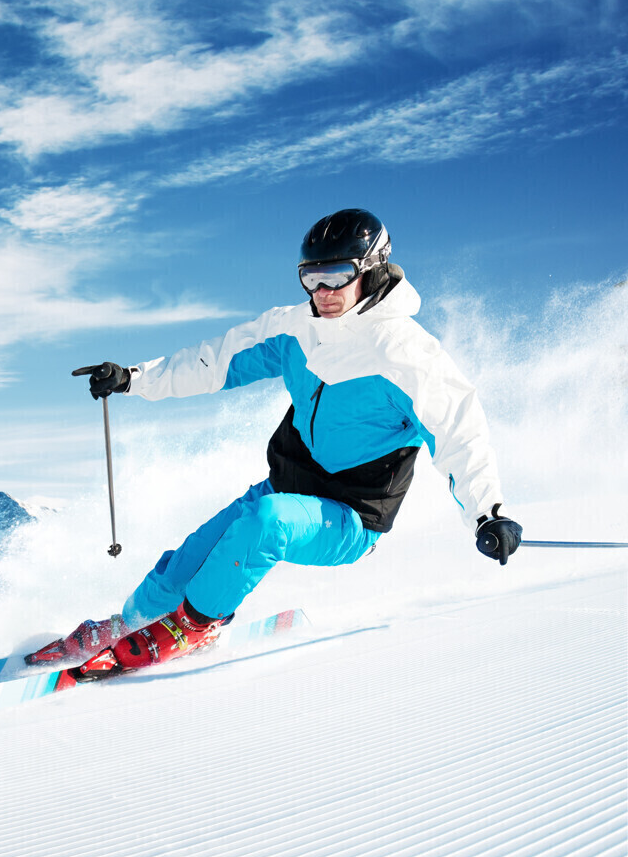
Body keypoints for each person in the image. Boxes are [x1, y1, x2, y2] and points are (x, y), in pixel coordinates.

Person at [28, 208, 522, 677]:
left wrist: (488, 513)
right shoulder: (295, 329)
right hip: (285, 486)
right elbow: (213, 363)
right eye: (311, 277)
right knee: (188, 562)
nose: (322, 292)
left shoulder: (408, 355)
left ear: (370, 272)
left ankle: (196, 627)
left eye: (337, 277)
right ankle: (130, 622)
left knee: (267, 524)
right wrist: (133, 378)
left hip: (351, 517)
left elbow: (461, 431)